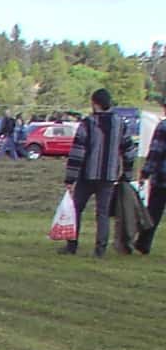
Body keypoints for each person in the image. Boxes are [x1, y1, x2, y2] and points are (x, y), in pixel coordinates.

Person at [61, 88, 137, 258]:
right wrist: (128, 173)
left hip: (87, 175)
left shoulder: (88, 123)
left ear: (95, 103)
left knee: (76, 209)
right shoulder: (120, 124)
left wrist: (70, 178)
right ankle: (100, 249)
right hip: (109, 176)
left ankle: (72, 245)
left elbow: (77, 152)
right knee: (102, 213)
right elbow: (130, 151)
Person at [137, 98, 166, 255]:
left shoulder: (163, 126)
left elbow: (156, 152)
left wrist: (145, 173)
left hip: (162, 177)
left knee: (153, 212)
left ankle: (143, 243)